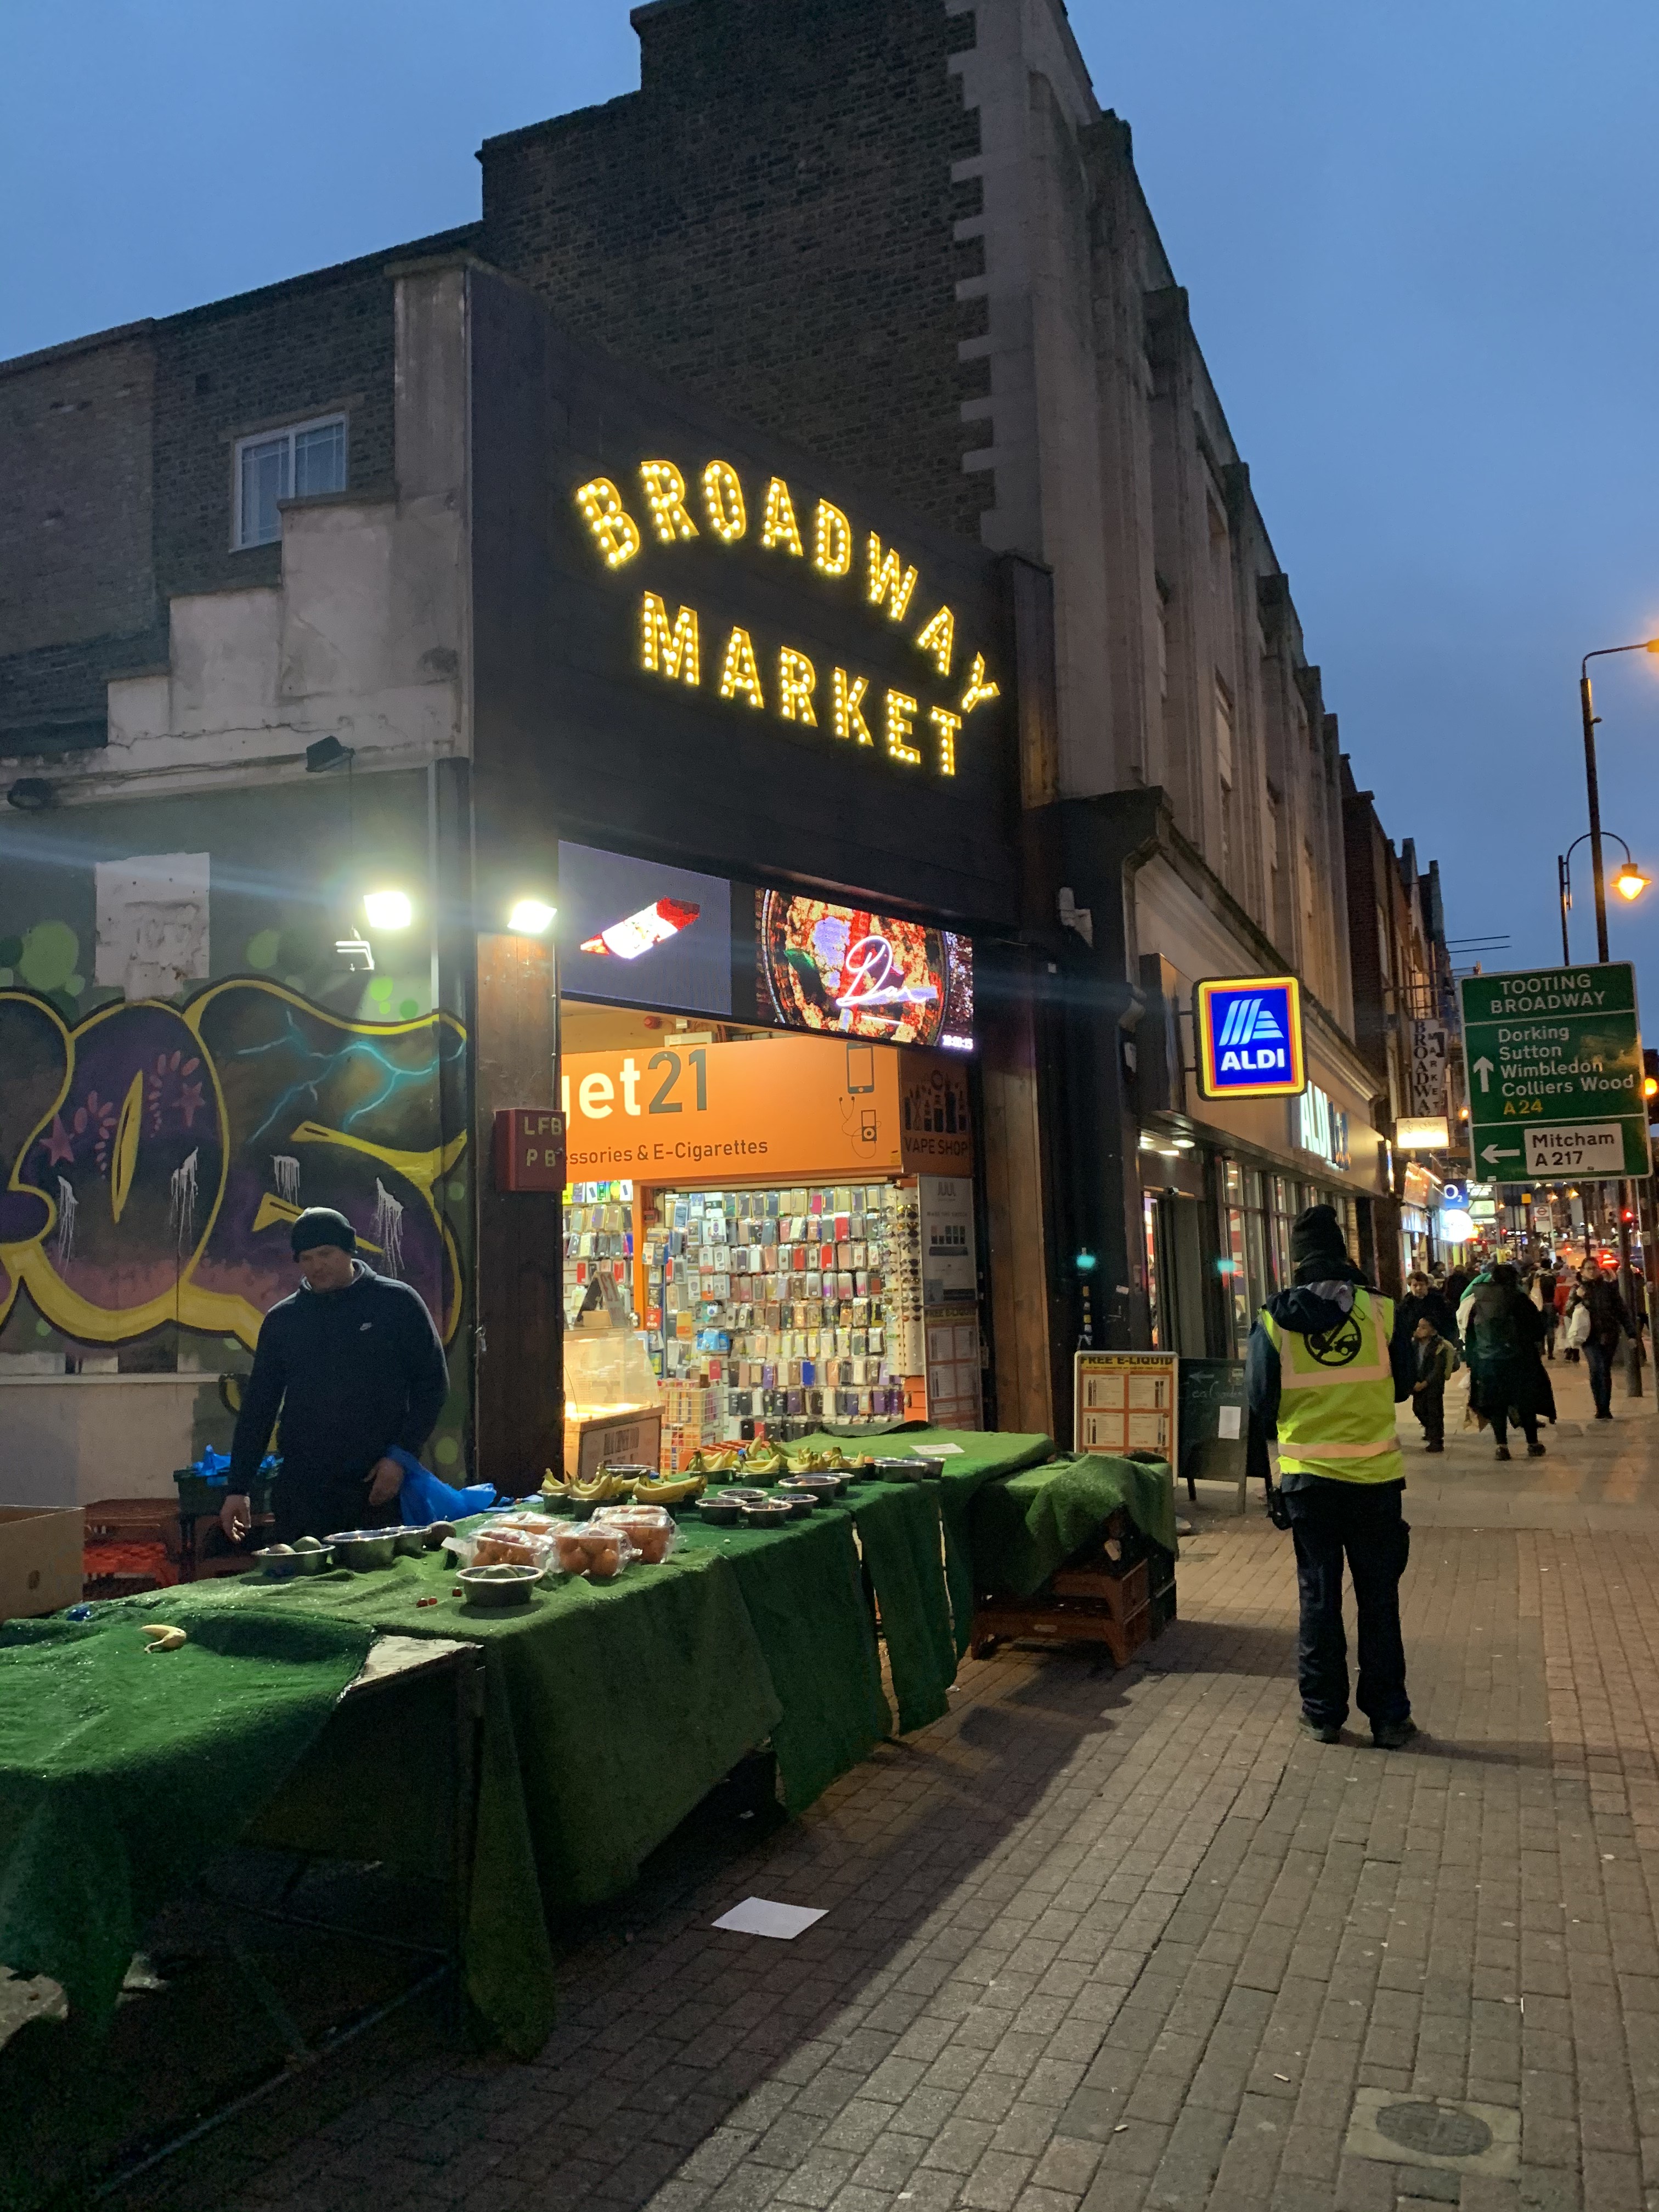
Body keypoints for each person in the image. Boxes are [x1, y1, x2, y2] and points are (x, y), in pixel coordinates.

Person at [1246, 1203, 1417, 1750]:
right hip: (1376, 1480)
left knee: (1318, 1597)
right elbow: (1403, 1387)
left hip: (1309, 1483)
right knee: (1379, 1600)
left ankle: (1322, 1715)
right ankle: (1389, 1718)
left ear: (1296, 1260)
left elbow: (1260, 1401)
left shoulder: (1273, 1320)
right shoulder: (1382, 1312)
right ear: (1342, 1253)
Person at [222, 1207, 449, 1544]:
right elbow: (259, 1407)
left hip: (377, 1483)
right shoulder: (284, 1321)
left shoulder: (397, 1303)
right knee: (303, 1575)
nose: (317, 1266)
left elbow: (432, 1386)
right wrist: (238, 1488)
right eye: (307, 1258)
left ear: (349, 1250)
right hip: (303, 1489)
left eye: (326, 1253)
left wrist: (401, 1457)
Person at [1463, 1261, 1554, 1459]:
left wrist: (1472, 1361)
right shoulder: (1520, 1300)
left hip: (1488, 1362)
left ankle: (1502, 1446)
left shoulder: (1479, 1302)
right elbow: (1537, 1329)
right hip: (1520, 1360)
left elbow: (1471, 1334)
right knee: (1525, 1402)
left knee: (1497, 1404)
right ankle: (1533, 1443)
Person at [1573, 1262, 1633, 1420]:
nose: (1592, 1271)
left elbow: (1622, 1311)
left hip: (1609, 1334)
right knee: (1596, 1368)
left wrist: (1631, 1333)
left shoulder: (1609, 1289)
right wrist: (1577, 1298)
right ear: (1582, 1271)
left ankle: (1605, 1408)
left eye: (1595, 1268)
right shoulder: (1578, 1289)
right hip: (1589, 1337)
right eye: (1589, 1269)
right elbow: (1567, 1311)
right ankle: (1600, 1406)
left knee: (1605, 1369)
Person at [1409, 1314, 1457, 1452]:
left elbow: (1438, 1369)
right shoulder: (1414, 1344)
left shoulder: (1439, 1346)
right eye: (1419, 1327)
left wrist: (1426, 1382)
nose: (1419, 1330)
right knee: (1418, 1409)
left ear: (1433, 1331)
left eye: (1424, 1327)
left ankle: (1437, 1441)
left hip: (1434, 1385)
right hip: (1418, 1382)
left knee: (1434, 1411)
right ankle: (1431, 1430)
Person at [1394, 1268, 1459, 1351]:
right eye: (1415, 1285)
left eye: (1421, 1285)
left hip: (1438, 1344)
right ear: (1410, 1287)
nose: (1419, 1288)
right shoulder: (1406, 1304)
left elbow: (1450, 1321)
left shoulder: (1439, 1301)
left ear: (1427, 1285)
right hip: (1415, 1346)